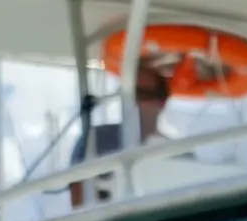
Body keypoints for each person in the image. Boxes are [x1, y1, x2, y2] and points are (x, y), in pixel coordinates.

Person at [68, 57, 174, 208]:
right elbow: (78, 200)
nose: (134, 102)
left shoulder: (178, 151)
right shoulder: (95, 139)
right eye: (127, 94)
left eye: (142, 94)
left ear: (161, 102)